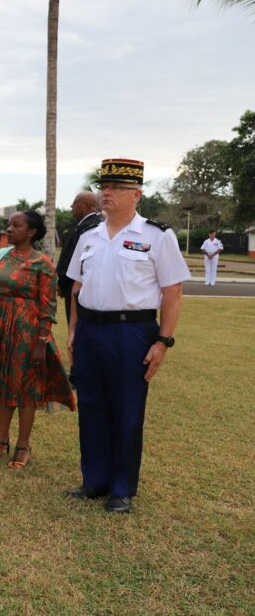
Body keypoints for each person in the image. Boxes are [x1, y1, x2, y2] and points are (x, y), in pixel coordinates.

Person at [66, 158, 190, 514]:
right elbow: (77, 286)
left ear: (136, 194)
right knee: (90, 406)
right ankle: (95, 480)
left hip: (131, 332)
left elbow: (173, 293)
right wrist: (74, 330)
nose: (106, 193)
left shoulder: (156, 236)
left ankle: (121, 488)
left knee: (126, 409)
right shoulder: (89, 236)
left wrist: (162, 342)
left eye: (116, 188)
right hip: (90, 330)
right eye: (104, 187)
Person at [0, 210, 76, 469]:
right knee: (3, 385)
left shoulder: (42, 263)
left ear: (31, 232)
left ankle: (23, 444)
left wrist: (41, 342)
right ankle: (1, 441)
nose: (8, 229)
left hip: (26, 333)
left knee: (25, 389)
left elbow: (48, 306)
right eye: (8, 224)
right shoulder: (2, 257)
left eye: (15, 225)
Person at [55, 191, 102, 323]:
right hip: (71, 284)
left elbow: (74, 259)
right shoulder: (83, 224)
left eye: (75, 202)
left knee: (75, 324)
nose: (71, 206)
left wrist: (63, 282)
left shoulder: (91, 226)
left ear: (87, 205)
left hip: (77, 285)